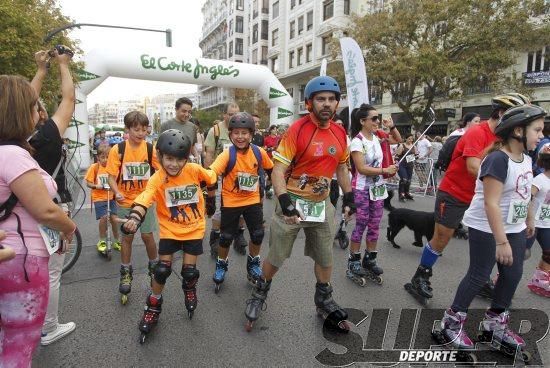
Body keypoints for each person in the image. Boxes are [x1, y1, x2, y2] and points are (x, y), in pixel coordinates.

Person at [244, 75, 355, 332]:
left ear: (337, 103)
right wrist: (285, 201)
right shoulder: (298, 129)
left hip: (321, 204)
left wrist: (349, 197)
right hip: (292, 201)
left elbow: (341, 167)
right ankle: (259, 294)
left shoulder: (339, 132)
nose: (326, 104)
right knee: (276, 255)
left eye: (331, 99)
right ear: (309, 103)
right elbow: (278, 170)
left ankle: (324, 299)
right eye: (320, 99)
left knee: (326, 257)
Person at [405, 93, 531, 305]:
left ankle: (481, 279)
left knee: (488, 241)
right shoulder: (477, 133)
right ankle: (421, 275)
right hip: (455, 193)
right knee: (442, 237)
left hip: (483, 197)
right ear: (502, 114)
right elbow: (473, 167)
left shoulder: (508, 138)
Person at [438, 104, 545, 353]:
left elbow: (524, 193)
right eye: (537, 130)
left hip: (514, 227)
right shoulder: (497, 159)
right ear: (518, 130)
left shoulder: (527, 159)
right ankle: (451, 324)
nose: (541, 135)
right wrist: (501, 241)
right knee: (479, 274)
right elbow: (491, 203)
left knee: (512, 275)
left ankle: (494, 324)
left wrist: (529, 218)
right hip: (487, 226)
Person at [0, 74, 76, 366]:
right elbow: (45, 210)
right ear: (22, 112)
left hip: (11, 255)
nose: (39, 113)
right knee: (19, 344)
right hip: (21, 262)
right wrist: (69, 227)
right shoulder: (14, 156)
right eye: (34, 108)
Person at [121, 130, 217, 338]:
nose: (174, 164)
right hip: (170, 231)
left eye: (179, 160)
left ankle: (189, 288)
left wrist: (211, 199)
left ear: (186, 159)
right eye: (169, 158)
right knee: (162, 271)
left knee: (189, 272)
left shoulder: (193, 170)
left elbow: (212, 176)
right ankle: (153, 305)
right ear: (160, 157)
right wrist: (135, 217)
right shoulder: (158, 178)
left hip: (193, 229)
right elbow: (145, 196)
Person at [29, 47, 78, 345]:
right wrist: (61, 64)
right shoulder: (47, 134)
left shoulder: (12, 139)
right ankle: (48, 327)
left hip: (16, 208)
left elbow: (19, 104)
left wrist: (40, 70)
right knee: (51, 271)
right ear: (42, 114)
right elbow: (69, 100)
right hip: (53, 205)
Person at [208, 112, 273, 291]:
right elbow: (212, 172)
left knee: (258, 234)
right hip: (231, 202)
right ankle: (221, 264)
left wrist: (273, 185)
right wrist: (210, 194)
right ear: (230, 134)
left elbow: (271, 168)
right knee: (226, 237)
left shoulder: (258, 152)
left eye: (244, 133)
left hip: (252, 200)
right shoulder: (227, 154)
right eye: (236, 133)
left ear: (251, 134)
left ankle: (253, 262)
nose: (240, 137)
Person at [106, 111, 160, 304]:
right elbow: (111, 177)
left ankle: (154, 269)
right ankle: (126, 272)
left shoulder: (149, 148)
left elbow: (160, 171)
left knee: (147, 236)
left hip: (145, 200)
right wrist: (116, 192)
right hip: (124, 201)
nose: (141, 133)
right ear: (127, 130)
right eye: (136, 129)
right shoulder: (118, 149)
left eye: (144, 129)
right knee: (127, 238)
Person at [346, 104, 398, 285]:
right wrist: (385, 170)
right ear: (362, 121)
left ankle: (369, 260)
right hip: (361, 188)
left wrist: (391, 126)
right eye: (374, 118)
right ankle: (353, 262)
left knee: (375, 225)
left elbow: (397, 140)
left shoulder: (377, 137)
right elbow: (361, 168)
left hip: (378, 188)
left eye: (378, 118)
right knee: (361, 224)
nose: (377, 121)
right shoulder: (357, 141)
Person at [204, 103, 248, 256]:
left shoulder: (243, 129)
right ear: (224, 115)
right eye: (230, 114)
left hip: (239, 176)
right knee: (219, 210)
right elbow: (208, 155)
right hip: (221, 176)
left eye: (236, 114)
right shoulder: (215, 131)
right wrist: (210, 178)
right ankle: (215, 238)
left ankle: (239, 235)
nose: (233, 117)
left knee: (243, 207)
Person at [84, 144, 121, 254]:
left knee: (114, 219)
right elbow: (88, 183)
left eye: (108, 157)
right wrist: (96, 186)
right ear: (98, 158)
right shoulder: (94, 168)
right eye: (103, 157)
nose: (105, 160)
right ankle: (102, 240)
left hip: (112, 197)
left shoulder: (115, 168)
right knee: (104, 218)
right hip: (99, 198)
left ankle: (117, 240)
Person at [526, 142, 550, 297]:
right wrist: (530, 220)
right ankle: (501, 280)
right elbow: (527, 199)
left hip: (547, 223)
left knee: (549, 252)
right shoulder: (539, 179)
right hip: (533, 223)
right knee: (521, 253)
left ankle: (540, 281)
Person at [395, 134, 417, 201]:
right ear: (406, 139)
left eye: (411, 139)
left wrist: (416, 157)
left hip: (410, 165)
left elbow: (416, 156)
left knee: (408, 181)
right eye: (409, 139)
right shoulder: (402, 146)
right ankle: (401, 194)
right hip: (402, 165)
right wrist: (396, 164)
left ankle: (407, 193)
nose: (410, 140)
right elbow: (396, 156)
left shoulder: (414, 146)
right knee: (404, 179)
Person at [263, 125, 281, 199]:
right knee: (269, 175)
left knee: (275, 175)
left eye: (276, 129)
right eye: (274, 129)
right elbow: (264, 148)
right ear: (271, 130)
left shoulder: (278, 138)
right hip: (268, 158)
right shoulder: (267, 139)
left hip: (276, 158)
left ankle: (272, 189)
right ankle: (267, 189)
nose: (275, 130)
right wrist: (270, 149)